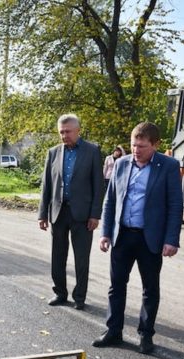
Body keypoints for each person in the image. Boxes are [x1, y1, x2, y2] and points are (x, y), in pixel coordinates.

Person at [94, 122, 182, 354]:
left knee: (150, 288)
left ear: (155, 145)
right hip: (123, 236)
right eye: (133, 145)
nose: (136, 150)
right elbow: (110, 199)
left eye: (142, 146)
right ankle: (113, 330)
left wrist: (172, 239)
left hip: (149, 238)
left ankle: (145, 334)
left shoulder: (169, 166)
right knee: (116, 285)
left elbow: (175, 205)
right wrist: (105, 232)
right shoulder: (121, 164)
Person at [38, 114, 104, 311]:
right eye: (61, 132)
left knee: (81, 258)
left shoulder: (92, 151)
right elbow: (47, 185)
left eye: (68, 131)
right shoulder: (53, 153)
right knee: (57, 256)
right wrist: (42, 214)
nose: (64, 135)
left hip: (83, 215)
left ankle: (80, 297)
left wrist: (95, 215)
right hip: (59, 212)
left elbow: (98, 186)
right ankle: (60, 292)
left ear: (78, 131)